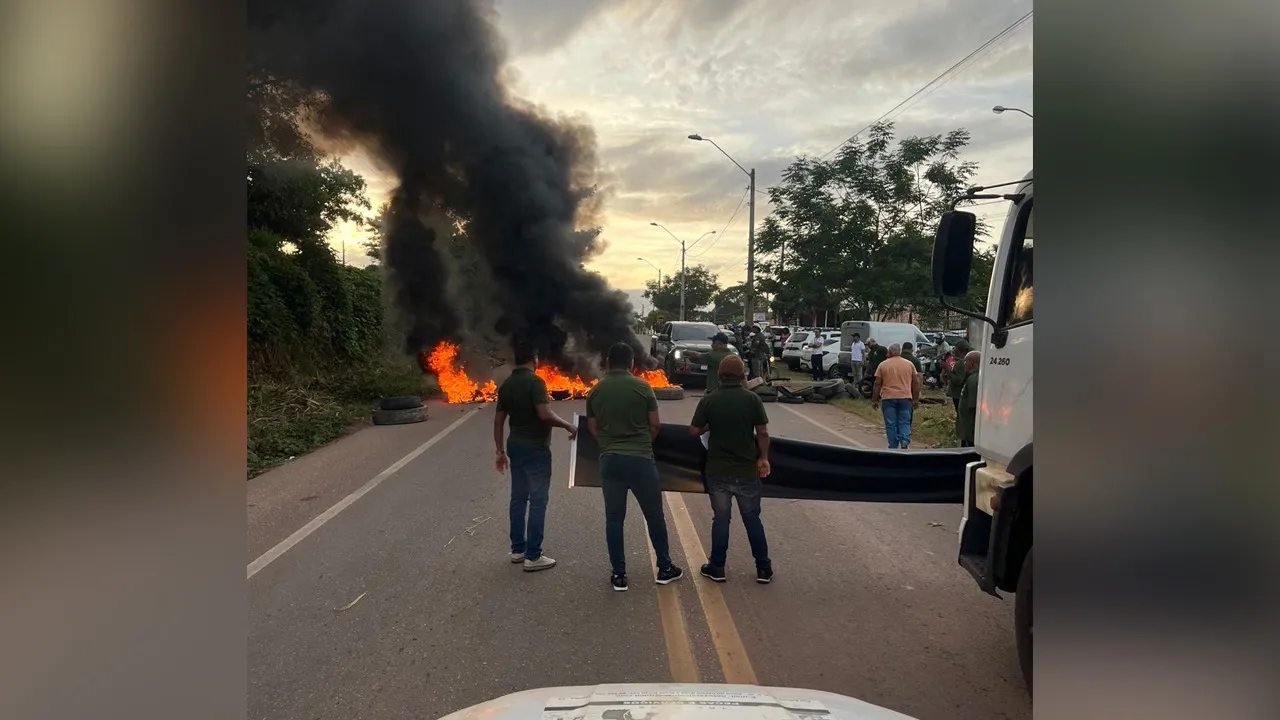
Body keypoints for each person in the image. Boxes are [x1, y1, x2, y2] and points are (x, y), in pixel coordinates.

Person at [585, 342, 684, 591]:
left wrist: (608, 445)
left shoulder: (596, 391)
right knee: (654, 515)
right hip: (641, 460)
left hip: (610, 461)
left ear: (608, 363)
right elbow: (655, 425)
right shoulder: (643, 388)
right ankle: (664, 568)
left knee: (614, 519)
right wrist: (641, 444)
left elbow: (592, 427)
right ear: (631, 363)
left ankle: (619, 575)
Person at [688, 355, 774, 584]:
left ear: (719, 375)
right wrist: (763, 458)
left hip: (717, 470)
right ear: (742, 375)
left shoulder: (710, 400)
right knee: (752, 519)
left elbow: (694, 432)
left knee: (721, 519)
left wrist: (710, 423)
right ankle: (763, 568)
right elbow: (763, 433)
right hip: (746, 470)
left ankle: (717, 567)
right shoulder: (752, 399)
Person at [494, 342, 578, 571]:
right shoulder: (535, 382)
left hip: (515, 447)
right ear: (534, 359)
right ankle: (533, 555)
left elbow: (499, 420)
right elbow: (544, 413)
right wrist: (567, 425)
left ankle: (518, 549)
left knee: (518, 499)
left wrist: (499, 451)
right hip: (536, 449)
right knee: (538, 500)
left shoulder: (507, 385)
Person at [871, 343, 921, 450]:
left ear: (891, 352)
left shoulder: (883, 365)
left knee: (891, 423)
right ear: (899, 351)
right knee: (904, 421)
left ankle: (893, 446)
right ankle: (904, 440)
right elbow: (915, 383)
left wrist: (874, 399)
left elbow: (877, 383)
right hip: (905, 398)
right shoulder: (909, 364)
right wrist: (916, 399)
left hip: (888, 398)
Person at [957, 350, 982, 447]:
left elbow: (974, 406)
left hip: (970, 429)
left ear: (972, 363)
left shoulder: (973, 380)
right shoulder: (972, 377)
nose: (964, 364)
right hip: (968, 428)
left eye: (965, 362)